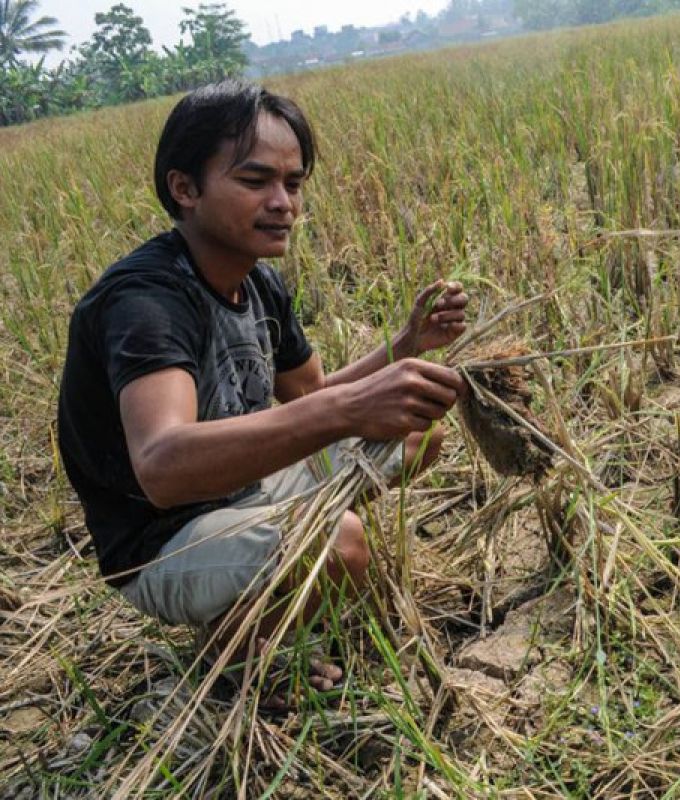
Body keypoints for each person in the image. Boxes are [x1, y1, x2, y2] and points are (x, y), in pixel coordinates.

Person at [56, 80, 468, 705]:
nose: (284, 204)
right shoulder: (147, 302)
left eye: (294, 184)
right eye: (256, 182)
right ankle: (236, 650)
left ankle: (279, 581)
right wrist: (345, 409)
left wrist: (408, 343)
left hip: (245, 491)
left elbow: (318, 394)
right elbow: (163, 466)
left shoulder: (260, 284)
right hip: (165, 540)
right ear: (184, 189)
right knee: (343, 544)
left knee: (413, 433)